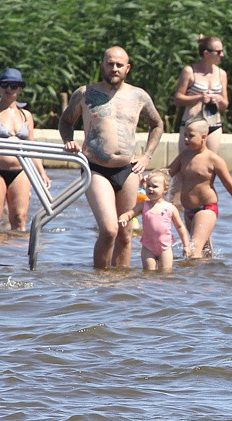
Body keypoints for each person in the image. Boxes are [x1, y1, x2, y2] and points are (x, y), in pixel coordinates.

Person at [59, 46, 164, 269]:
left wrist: (147, 156)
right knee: (109, 229)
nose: (114, 68)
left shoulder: (139, 95)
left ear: (127, 68)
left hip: (128, 169)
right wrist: (68, 140)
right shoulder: (86, 93)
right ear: (102, 65)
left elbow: (157, 124)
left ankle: (119, 289)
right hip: (96, 168)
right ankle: (100, 278)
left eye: (119, 65)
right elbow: (66, 121)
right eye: (110, 63)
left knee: (125, 233)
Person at [0, 68, 51, 231]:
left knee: (19, 219)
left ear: (20, 89)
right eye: (4, 85)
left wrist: (42, 173)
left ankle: (16, 254)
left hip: (20, 171)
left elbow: (31, 147)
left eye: (13, 86)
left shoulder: (26, 115)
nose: (9, 89)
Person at [167, 119, 232, 258]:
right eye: (185, 136)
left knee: (193, 250)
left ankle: (187, 279)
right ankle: (207, 277)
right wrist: (151, 177)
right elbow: (168, 172)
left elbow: (229, 185)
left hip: (206, 208)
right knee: (205, 252)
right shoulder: (184, 156)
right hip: (188, 211)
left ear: (203, 137)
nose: (186, 139)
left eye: (191, 136)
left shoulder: (213, 160)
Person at [118, 169, 191, 271]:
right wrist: (123, 218)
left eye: (155, 186)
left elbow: (180, 227)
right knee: (148, 273)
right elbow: (130, 213)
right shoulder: (143, 206)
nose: (150, 189)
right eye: (148, 186)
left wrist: (186, 245)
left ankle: (162, 287)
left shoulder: (170, 208)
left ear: (165, 190)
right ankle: (149, 287)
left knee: (166, 273)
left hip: (165, 248)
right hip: (148, 248)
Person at [173, 34, 228, 154]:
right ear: (206, 53)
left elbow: (225, 104)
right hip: (190, 124)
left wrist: (218, 98)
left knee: (209, 166)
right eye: (218, 52)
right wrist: (199, 97)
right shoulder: (189, 71)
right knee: (186, 164)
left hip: (213, 125)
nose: (222, 55)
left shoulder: (221, 74)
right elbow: (177, 99)